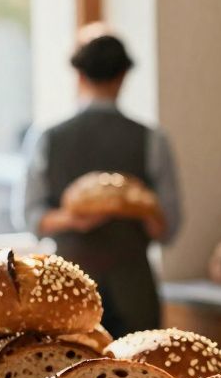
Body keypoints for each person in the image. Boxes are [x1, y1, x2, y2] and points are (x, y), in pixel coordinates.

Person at [20, 25, 182, 337]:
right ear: (123, 76)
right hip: (135, 288)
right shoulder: (152, 139)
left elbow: (30, 217)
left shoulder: (46, 138)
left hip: (67, 289)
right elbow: (168, 228)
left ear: (78, 76)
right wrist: (141, 210)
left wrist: (69, 219)